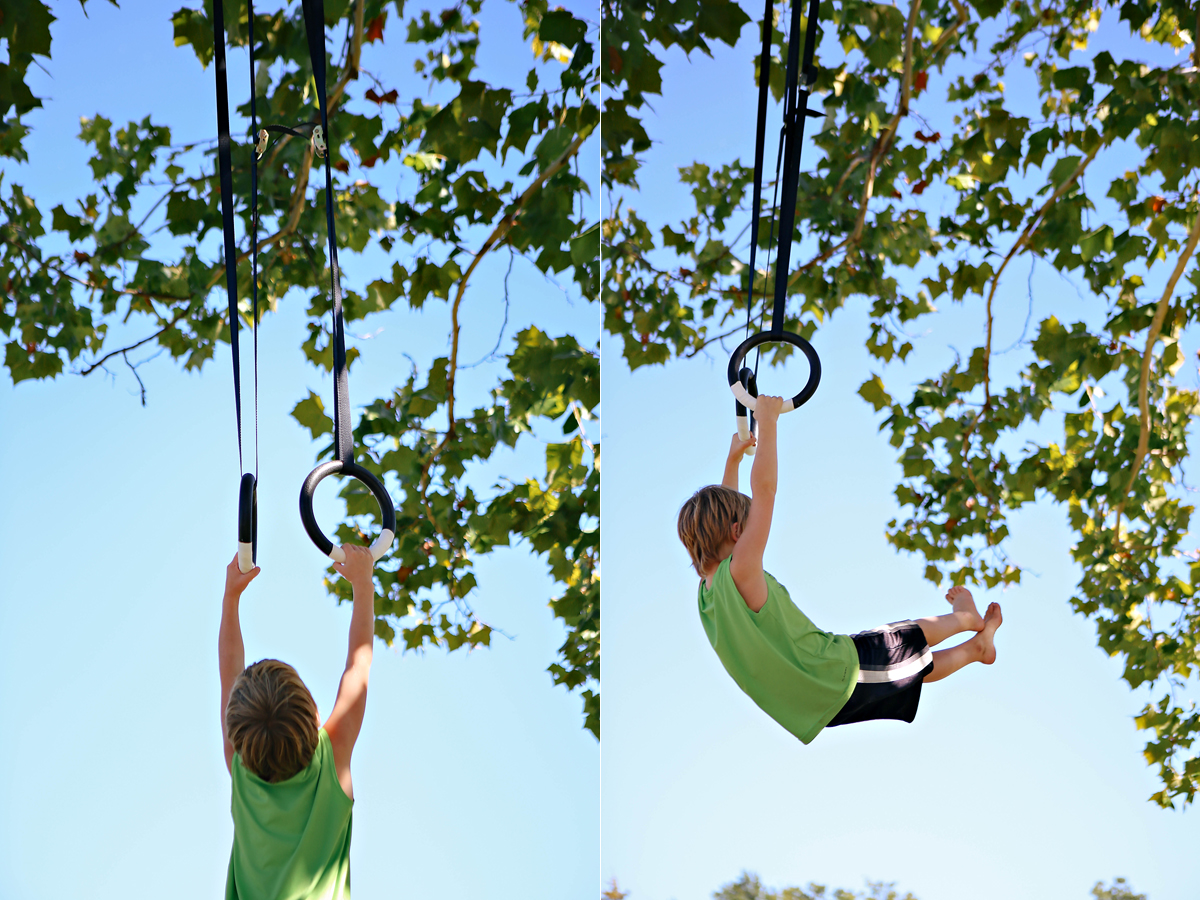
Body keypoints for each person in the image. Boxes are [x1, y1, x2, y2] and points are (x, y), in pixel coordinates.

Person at [676, 394, 1002, 743]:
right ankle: (967, 620)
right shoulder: (741, 569)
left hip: (815, 697)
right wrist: (768, 421)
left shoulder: (707, 595)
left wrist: (733, 461)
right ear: (739, 532)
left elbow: (727, 520)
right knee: (899, 638)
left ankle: (975, 650)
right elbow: (766, 490)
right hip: (831, 673)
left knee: (907, 671)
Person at [218, 543, 378, 899]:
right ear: (316, 714)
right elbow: (358, 665)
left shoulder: (241, 769)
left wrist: (231, 598)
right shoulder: (330, 760)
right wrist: (363, 581)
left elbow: (358, 665)